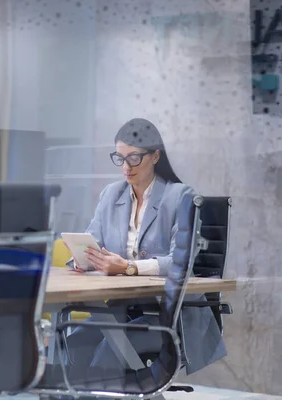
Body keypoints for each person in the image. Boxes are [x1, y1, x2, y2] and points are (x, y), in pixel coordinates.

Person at [64, 118, 226, 380]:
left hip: (168, 314)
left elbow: (181, 262)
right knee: (72, 344)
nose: (126, 167)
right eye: (120, 158)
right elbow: (92, 239)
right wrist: (84, 258)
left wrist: (128, 267)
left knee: (109, 351)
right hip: (123, 309)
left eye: (134, 158)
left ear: (155, 156)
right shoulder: (111, 194)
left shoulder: (180, 196)